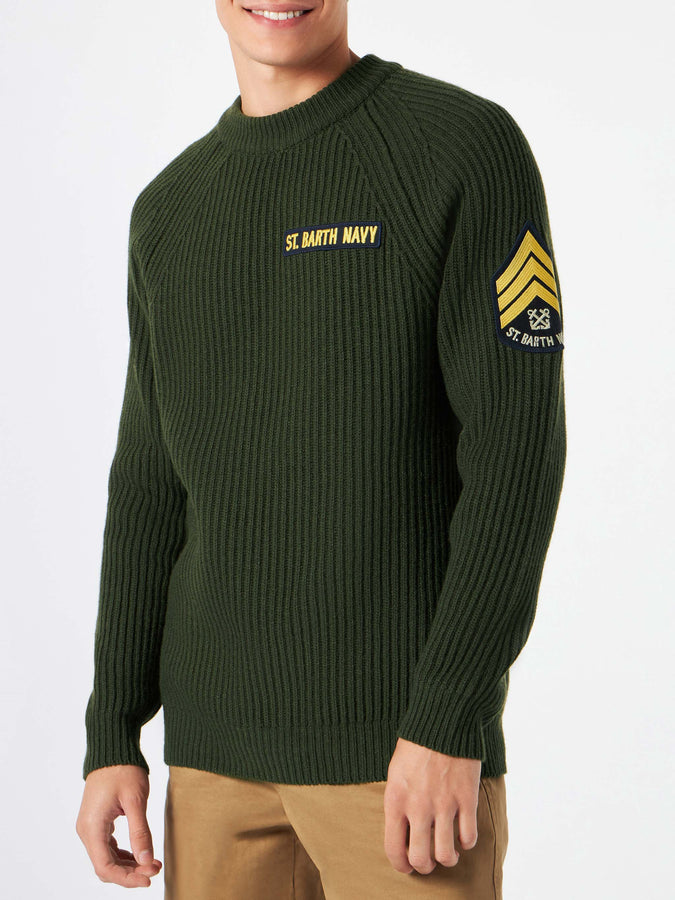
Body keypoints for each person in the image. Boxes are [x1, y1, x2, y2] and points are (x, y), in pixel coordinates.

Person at [75, 1, 566, 897]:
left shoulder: (462, 147)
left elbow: (515, 457)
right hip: (212, 762)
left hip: (400, 759)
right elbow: (148, 484)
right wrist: (112, 731)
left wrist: (448, 716)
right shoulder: (169, 211)